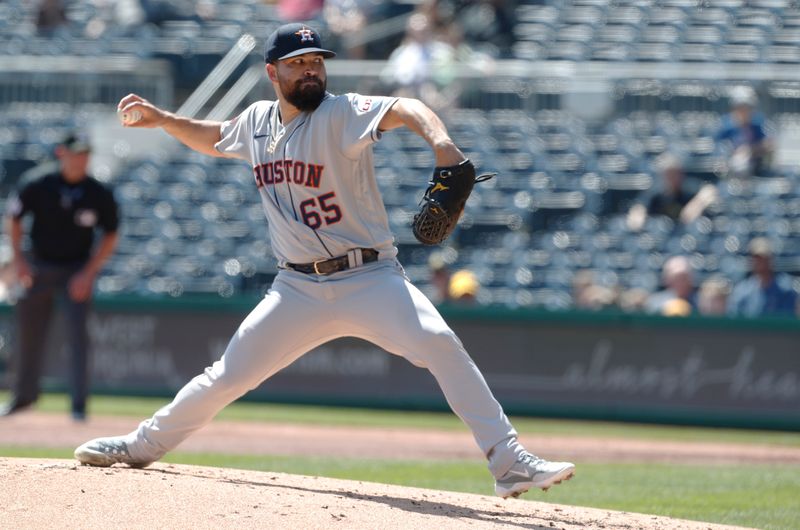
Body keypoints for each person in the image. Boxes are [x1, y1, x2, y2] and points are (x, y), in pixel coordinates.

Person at [73, 23, 574, 499]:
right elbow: (214, 137)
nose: (311, 69)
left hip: (370, 276)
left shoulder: (340, 113)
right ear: (273, 73)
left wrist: (441, 143)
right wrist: (164, 120)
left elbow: (407, 106)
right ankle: (139, 447)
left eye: (317, 61)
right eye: (298, 63)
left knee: (441, 343)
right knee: (227, 375)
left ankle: (507, 461)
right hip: (296, 290)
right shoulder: (256, 122)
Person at [0, 132, 120, 421]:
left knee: (79, 337)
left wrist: (89, 273)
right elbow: (14, 219)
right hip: (39, 265)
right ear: (61, 153)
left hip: (76, 269)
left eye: (85, 154)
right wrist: (19, 261)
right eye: (75, 153)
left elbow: (111, 233)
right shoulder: (39, 183)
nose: (80, 159)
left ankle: (78, 406)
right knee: (28, 333)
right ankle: (23, 397)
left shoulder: (98, 192)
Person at [627, 153, 717, 231]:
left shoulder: (688, 187)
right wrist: (637, 217)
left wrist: (695, 205)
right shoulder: (657, 191)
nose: (672, 178)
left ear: (680, 173)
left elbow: (709, 190)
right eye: (668, 174)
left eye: (674, 173)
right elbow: (640, 206)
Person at [727, 237, 797, 318]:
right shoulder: (742, 291)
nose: (760, 263)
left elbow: (787, 320)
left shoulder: (785, 290)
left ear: (771, 260)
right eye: (756, 258)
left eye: (764, 259)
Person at [715, 86, 774, 178]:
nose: (744, 111)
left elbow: (769, 144)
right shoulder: (724, 126)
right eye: (740, 107)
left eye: (747, 108)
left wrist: (750, 150)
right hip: (729, 168)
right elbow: (718, 148)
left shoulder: (758, 123)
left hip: (755, 166)